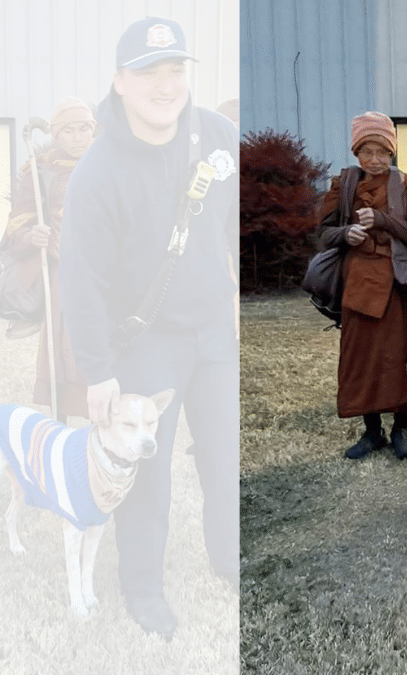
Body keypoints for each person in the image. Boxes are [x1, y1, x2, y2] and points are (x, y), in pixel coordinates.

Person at [58, 17, 239, 639]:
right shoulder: (97, 170)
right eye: (149, 73)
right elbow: (81, 280)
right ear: (120, 81)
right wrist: (97, 370)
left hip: (213, 333)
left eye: (175, 70)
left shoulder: (217, 136)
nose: (165, 85)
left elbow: (236, 224)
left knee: (222, 454)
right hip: (146, 339)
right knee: (147, 474)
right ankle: (141, 588)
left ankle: (227, 557)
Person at [316, 111, 407, 460]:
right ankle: (372, 431)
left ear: (392, 152)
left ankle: (400, 430)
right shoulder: (344, 186)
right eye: (367, 152)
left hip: (395, 283)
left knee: (400, 356)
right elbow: (324, 233)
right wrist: (345, 233)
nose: (375, 160)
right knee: (359, 358)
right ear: (356, 152)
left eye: (382, 152)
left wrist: (383, 220)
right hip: (356, 283)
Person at [3, 97, 96, 418]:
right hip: (63, 274)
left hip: (106, 270)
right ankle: (61, 420)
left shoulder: (108, 162)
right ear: (55, 134)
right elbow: (16, 223)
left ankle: (107, 419)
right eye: (69, 131)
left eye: (84, 129)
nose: (78, 137)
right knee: (65, 347)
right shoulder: (40, 169)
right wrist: (32, 235)